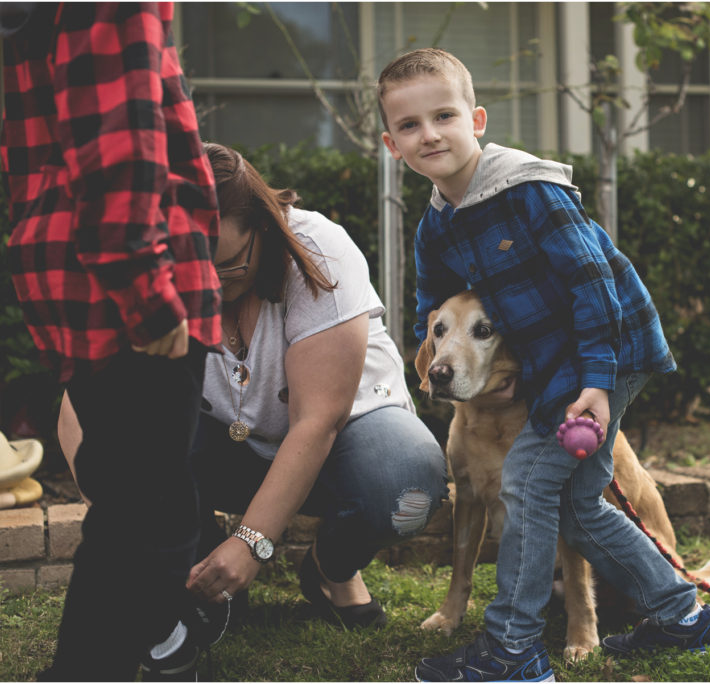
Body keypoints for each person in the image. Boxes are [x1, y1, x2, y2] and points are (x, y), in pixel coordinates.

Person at [378, 48, 710, 682]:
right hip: (555, 363)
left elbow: (595, 290)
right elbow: (428, 315)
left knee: (528, 484)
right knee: (579, 505)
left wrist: (596, 385)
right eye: (409, 126)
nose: (428, 134)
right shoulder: (436, 227)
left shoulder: (530, 191)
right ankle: (685, 618)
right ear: (390, 142)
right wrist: (432, 365)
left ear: (477, 119)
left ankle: (512, 648)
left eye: (443, 116)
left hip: (610, 351)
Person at [59, 142, 450, 653]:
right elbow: (82, 409)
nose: (204, 287)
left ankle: (330, 569)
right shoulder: (138, 263)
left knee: (406, 487)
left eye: (223, 266)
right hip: (217, 441)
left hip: (342, 437)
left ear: (263, 229)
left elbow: (318, 420)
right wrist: (123, 516)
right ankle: (198, 569)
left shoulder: (319, 248)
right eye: (187, 269)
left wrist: (252, 542)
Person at [0, 3, 223, 680]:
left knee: (132, 505)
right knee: (154, 518)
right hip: (122, 288)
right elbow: (119, 142)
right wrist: (149, 296)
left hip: (70, 275)